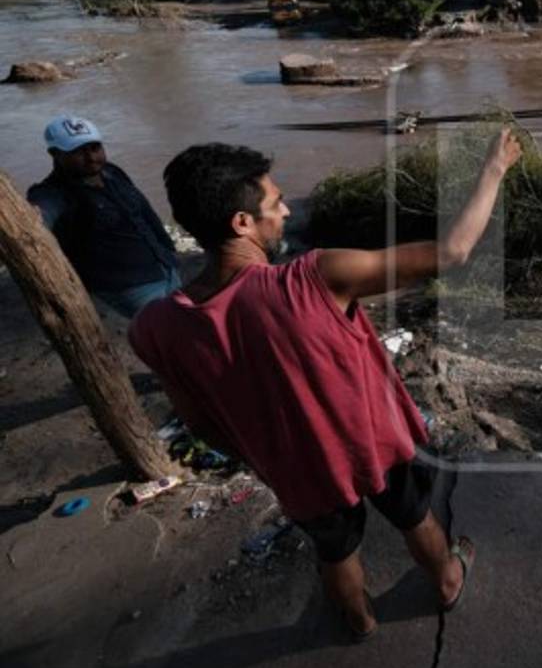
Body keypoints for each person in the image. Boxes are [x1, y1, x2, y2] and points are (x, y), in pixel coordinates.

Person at [128, 129, 522, 640]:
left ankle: (359, 622)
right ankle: (447, 580)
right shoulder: (312, 278)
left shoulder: (155, 327)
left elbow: (200, 422)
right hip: (375, 444)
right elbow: (453, 250)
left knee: (335, 552)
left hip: (295, 471)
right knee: (415, 517)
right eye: (276, 202)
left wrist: (266, 457)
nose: (287, 210)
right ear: (242, 223)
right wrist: (494, 169)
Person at [27, 115, 180, 317]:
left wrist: (168, 248)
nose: (91, 157)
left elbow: (144, 212)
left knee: (186, 323)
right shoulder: (53, 193)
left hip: (165, 267)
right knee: (168, 329)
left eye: (95, 147)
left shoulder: (112, 172)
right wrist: (34, 217)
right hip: (130, 286)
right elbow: (39, 216)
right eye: (78, 152)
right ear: (54, 154)